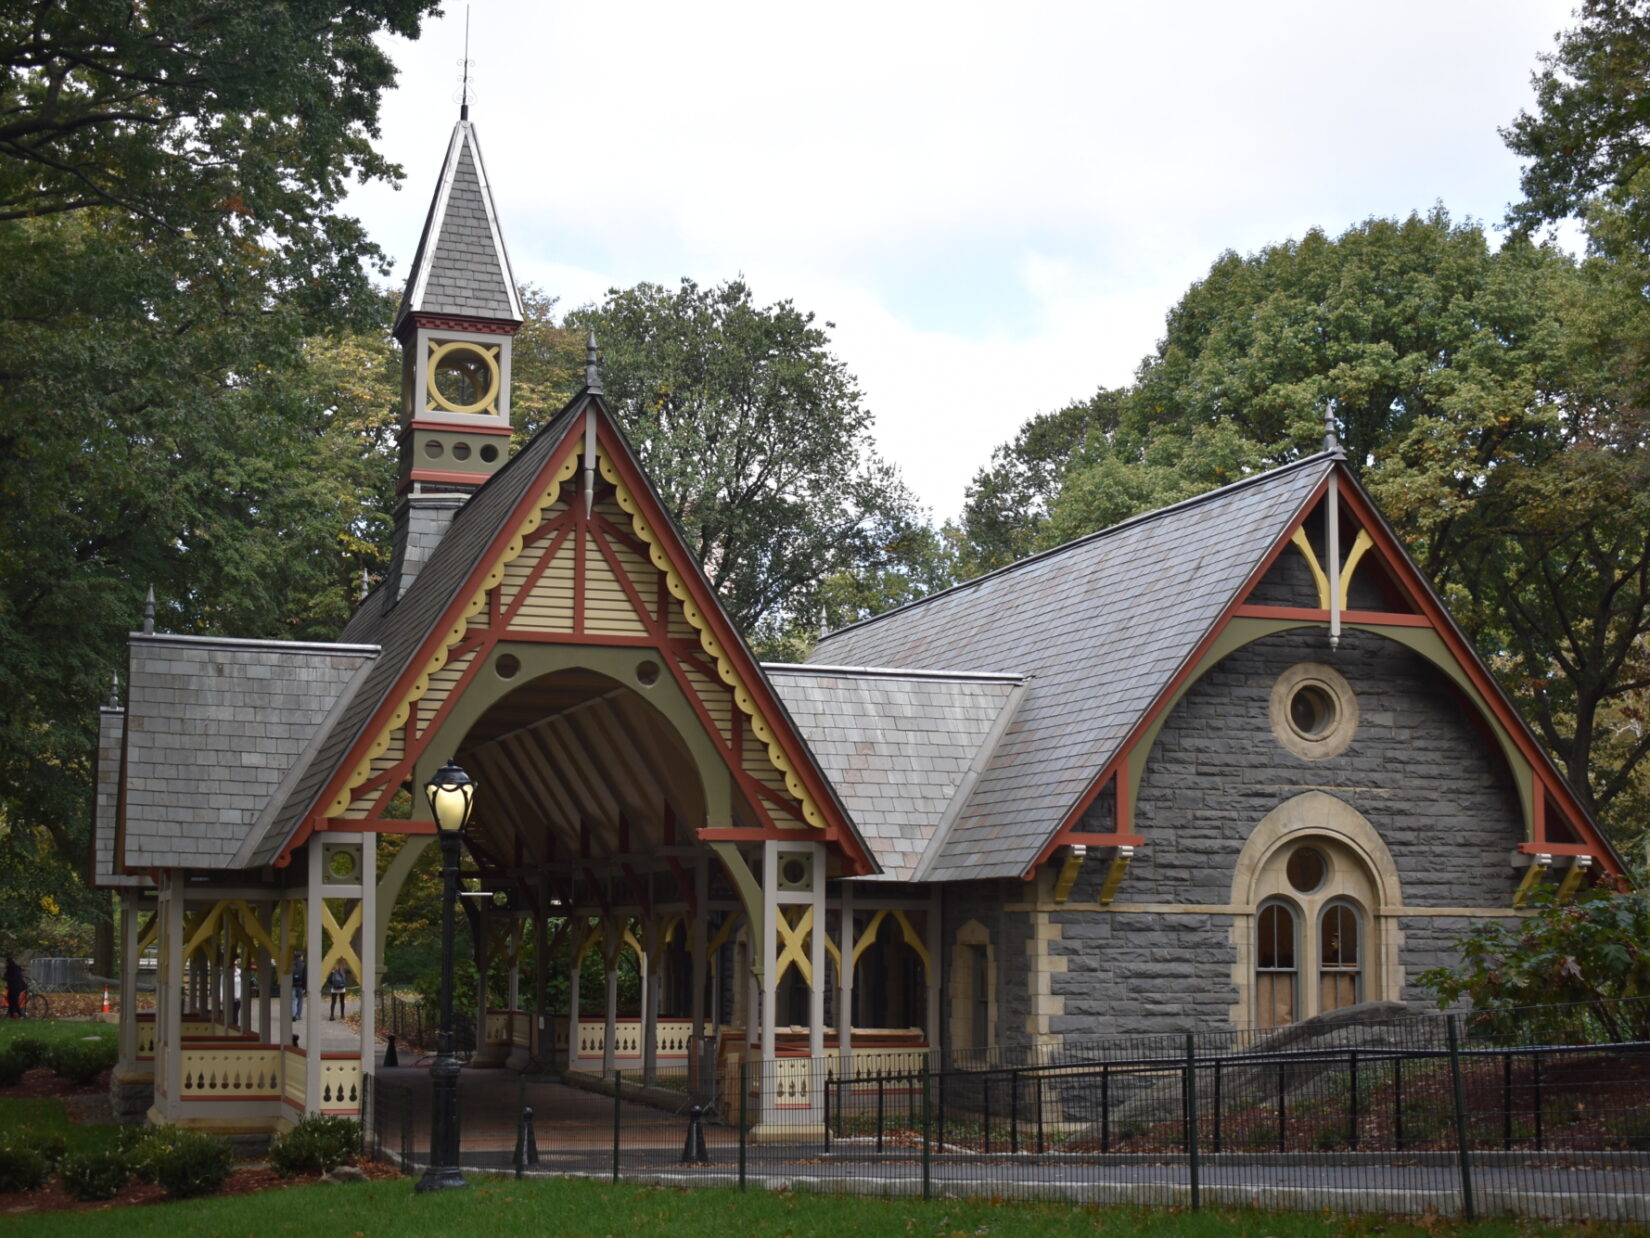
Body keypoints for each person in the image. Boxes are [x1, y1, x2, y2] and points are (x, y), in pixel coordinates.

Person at [291, 951, 306, 1021]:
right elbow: (305, 977)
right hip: (300, 985)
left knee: (293, 1000)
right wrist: (304, 987)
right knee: (300, 1000)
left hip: (292, 985)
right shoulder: (303, 965)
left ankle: (293, 1014)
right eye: (302, 956)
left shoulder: (291, 964)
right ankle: (298, 1015)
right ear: (300, 957)